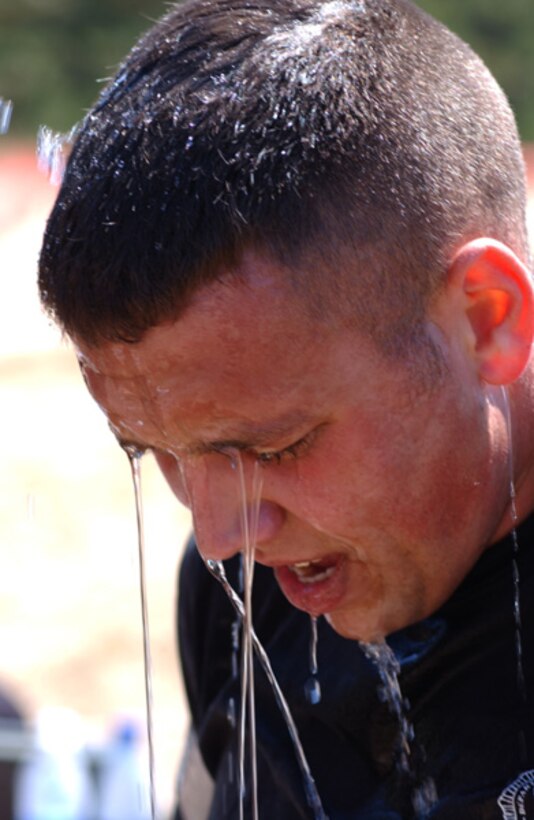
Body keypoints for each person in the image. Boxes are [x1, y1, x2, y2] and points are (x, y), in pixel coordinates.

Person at [38, 0, 534, 816]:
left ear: (487, 317)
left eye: (274, 450)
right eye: (155, 452)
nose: (220, 535)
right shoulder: (259, 581)